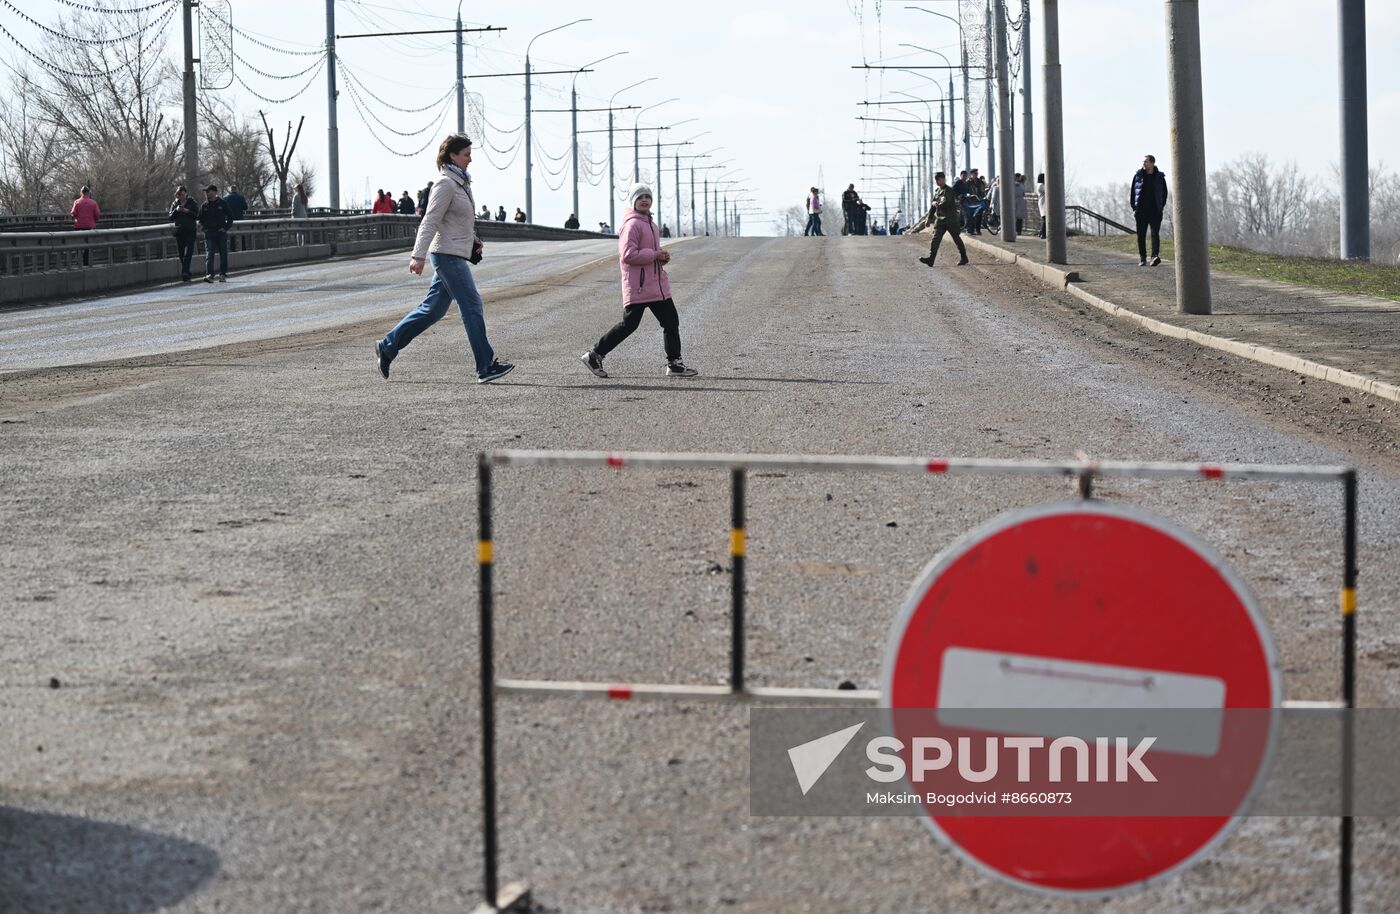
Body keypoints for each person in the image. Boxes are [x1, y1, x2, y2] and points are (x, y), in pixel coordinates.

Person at [375, 133, 512, 384]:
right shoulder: (445, 183)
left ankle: (388, 345)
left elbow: (456, 221)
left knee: (432, 311)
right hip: (446, 256)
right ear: (453, 155)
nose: (470, 159)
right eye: (466, 154)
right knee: (472, 305)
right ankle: (485, 365)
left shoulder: (460, 182)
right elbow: (431, 220)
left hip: (453, 252)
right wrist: (418, 255)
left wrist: (472, 240)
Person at [579, 182, 697, 380]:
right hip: (640, 286)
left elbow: (650, 255)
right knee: (629, 325)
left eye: (647, 197)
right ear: (633, 201)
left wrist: (661, 258)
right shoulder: (632, 224)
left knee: (671, 321)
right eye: (640, 197)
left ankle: (675, 364)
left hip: (656, 285)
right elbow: (628, 255)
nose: (644, 200)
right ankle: (594, 355)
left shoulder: (651, 224)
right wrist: (654, 255)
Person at [917, 171, 968, 268]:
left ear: (943, 179)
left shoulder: (948, 191)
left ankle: (964, 257)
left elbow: (945, 203)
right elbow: (933, 207)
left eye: (938, 179)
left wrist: (936, 204)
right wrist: (929, 219)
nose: (936, 181)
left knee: (956, 238)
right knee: (935, 239)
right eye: (936, 179)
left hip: (950, 219)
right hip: (940, 220)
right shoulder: (937, 191)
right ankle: (931, 259)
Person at [1131, 153, 1169, 266]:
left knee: (1154, 234)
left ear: (1152, 163)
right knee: (1141, 235)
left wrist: (1160, 207)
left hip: (1155, 211)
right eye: (1143, 162)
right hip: (1141, 211)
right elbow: (1133, 192)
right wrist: (1134, 208)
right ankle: (1142, 258)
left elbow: (1164, 193)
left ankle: (1154, 257)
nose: (1144, 163)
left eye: (1146, 161)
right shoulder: (1138, 175)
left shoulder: (1160, 177)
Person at [197, 183, 232, 282]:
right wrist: (203, 228)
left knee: (223, 253)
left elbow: (230, 217)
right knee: (209, 254)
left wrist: (225, 227)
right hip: (209, 233)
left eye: (208, 191)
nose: (207, 193)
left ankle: (222, 274)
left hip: (221, 232)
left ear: (215, 192)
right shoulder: (204, 205)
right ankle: (210, 275)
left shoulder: (223, 203)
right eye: (206, 192)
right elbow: (200, 219)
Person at [167, 185, 198, 282]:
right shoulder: (175, 203)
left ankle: (184, 272)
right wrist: (176, 211)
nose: (181, 197)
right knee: (181, 253)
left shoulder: (192, 202)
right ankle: (187, 272)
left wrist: (187, 211)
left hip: (190, 230)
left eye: (183, 194)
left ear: (186, 194)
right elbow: (170, 217)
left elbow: (196, 215)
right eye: (179, 195)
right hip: (180, 231)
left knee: (188, 252)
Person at [71, 185, 99, 265]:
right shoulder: (93, 203)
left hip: (78, 226)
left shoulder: (77, 202)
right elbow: (97, 214)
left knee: (78, 245)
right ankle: (86, 262)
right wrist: (94, 221)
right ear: (88, 193)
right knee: (88, 245)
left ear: (81, 193)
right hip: (90, 227)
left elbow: (73, 214)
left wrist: (76, 219)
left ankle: (79, 262)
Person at [1035, 173, 1046, 238]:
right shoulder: (1041, 185)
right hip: (1043, 202)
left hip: (1042, 202)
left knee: (1044, 218)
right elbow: (1047, 190)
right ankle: (1043, 234)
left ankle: (1041, 232)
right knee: (1045, 219)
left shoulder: (1039, 185)